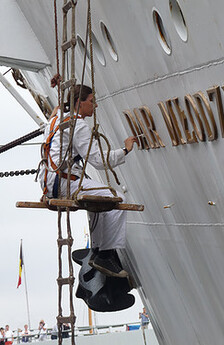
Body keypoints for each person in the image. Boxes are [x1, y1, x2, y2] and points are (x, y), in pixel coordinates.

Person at [38, 75, 138, 277]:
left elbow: (59, 107)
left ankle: (98, 250)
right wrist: (125, 150)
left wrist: (60, 82)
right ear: (79, 103)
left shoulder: (56, 119)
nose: (95, 105)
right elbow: (99, 161)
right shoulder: (78, 126)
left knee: (96, 201)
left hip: (49, 180)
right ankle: (105, 254)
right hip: (64, 182)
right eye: (91, 101)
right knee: (116, 199)